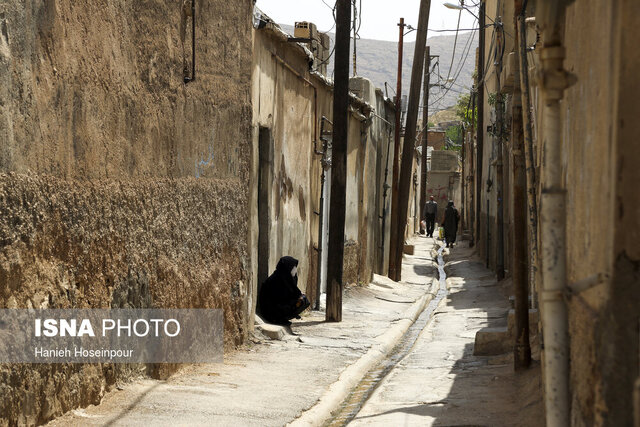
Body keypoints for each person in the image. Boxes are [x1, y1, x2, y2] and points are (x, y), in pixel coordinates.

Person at [258, 256, 310, 326]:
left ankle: (283, 318)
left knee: (303, 300)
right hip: (271, 310)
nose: (295, 269)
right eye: (293, 266)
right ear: (287, 267)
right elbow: (277, 299)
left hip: (280, 306)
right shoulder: (275, 280)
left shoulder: (287, 278)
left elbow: (293, 293)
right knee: (298, 302)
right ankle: (278, 319)